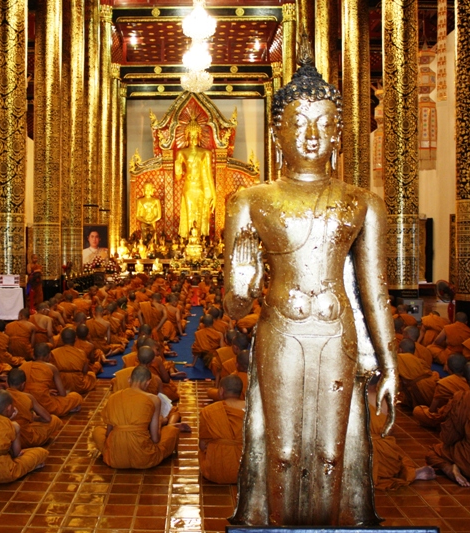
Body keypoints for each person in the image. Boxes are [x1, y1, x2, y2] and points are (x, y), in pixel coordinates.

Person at [222, 41, 397, 526]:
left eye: (323, 122)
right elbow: (234, 308)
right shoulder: (251, 200)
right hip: (282, 330)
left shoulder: (362, 202)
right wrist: (241, 282)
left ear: (340, 133)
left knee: (330, 451)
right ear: (277, 135)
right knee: (281, 449)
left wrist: (389, 364)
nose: (312, 134)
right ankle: (277, 524)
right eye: (298, 123)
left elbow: (374, 292)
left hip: (337, 333)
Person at [91, 366, 180, 469]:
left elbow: (108, 433)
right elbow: (155, 439)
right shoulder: (154, 399)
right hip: (144, 458)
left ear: (129, 379)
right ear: (148, 383)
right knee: (172, 430)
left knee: (97, 431)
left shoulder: (113, 397)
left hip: (116, 459)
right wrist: (160, 424)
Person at [0, 390, 48, 484]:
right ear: (9, 407)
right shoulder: (13, 425)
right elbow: (16, 454)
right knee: (41, 452)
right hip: (4, 471)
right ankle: (29, 467)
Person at [368, 385, 435, 490]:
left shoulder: (352, 397)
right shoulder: (385, 397)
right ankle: (409, 474)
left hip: (361, 450)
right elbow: (389, 429)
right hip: (386, 450)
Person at [199, 375, 245, 484]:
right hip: (245, 473)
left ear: (221, 390)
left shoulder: (209, 410)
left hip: (215, 473)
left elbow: (202, 445)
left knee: (202, 452)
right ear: (241, 391)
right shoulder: (253, 410)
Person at [174, 120, 215, 239]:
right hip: (188, 187)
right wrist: (177, 169)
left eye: (195, 135)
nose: (193, 137)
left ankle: (200, 239)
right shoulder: (181, 153)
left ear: (199, 136)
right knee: (189, 211)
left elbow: (208, 174)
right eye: (190, 135)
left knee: (200, 212)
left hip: (200, 186)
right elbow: (178, 178)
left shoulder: (205, 153)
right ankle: (188, 238)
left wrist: (213, 194)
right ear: (186, 136)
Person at [6, 368, 63, 448]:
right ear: (23, 384)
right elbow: (47, 418)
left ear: (6, 382)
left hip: (6, 437)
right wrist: (35, 418)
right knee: (55, 420)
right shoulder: (27, 397)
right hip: (26, 438)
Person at [22, 343, 83, 416]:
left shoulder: (24, 366)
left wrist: (46, 391)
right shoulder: (52, 367)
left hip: (27, 403)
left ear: (33, 356)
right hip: (45, 405)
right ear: (49, 356)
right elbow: (63, 394)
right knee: (76, 396)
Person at [412, 354, 470, 428]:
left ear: (448, 367)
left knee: (418, 411)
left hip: (452, 418)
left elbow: (432, 410)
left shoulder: (444, 383)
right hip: (469, 417)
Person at [50, 328, 97, 394]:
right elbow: (85, 371)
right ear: (75, 339)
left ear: (62, 340)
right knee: (91, 375)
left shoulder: (54, 353)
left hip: (61, 385)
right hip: (78, 384)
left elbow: (51, 372)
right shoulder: (81, 353)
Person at [397, 339, 439, 408]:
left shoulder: (400, 358)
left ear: (401, 350)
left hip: (422, 390)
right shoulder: (419, 360)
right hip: (433, 387)